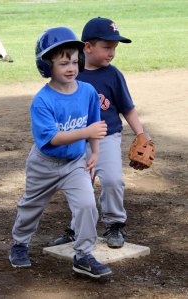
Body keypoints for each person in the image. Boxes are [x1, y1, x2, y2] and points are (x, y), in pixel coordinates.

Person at [9, 26, 112, 278]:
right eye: (63, 63)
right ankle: (20, 244)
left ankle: (83, 254)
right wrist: (86, 133)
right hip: (44, 164)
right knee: (31, 206)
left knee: (88, 205)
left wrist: (95, 153)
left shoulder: (87, 91)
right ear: (47, 67)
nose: (71, 67)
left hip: (75, 162)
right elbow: (53, 138)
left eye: (75, 61)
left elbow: (95, 125)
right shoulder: (42, 100)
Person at [53, 17, 151, 249]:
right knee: (80, 185)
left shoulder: (113, 75)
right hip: (77, 140)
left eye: (114, 48)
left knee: (113, 180)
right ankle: (77, 226)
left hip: (107, 137)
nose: (111, 53)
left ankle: (115, 223)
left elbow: (127, 107)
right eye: (107, 47)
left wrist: (141, 134)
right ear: (87, 47)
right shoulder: (71, 72)